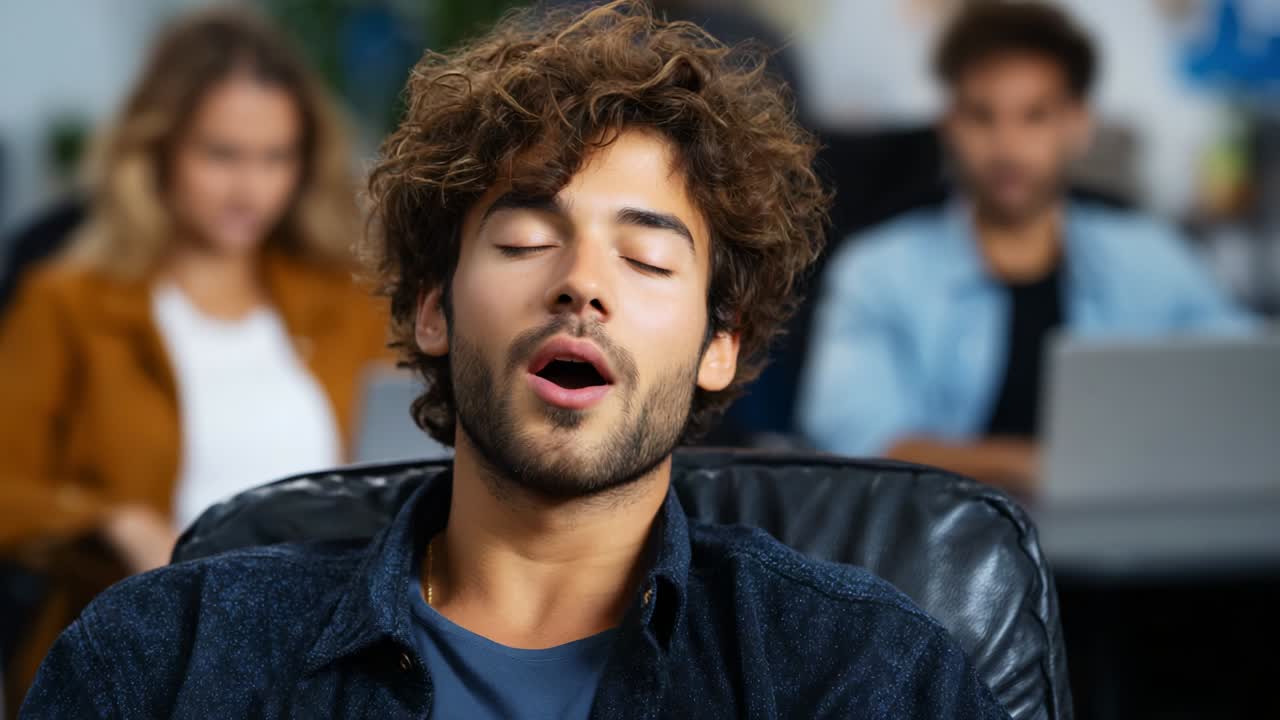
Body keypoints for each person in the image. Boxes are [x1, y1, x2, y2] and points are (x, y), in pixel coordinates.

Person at [21, 3, 1009, 718]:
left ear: (721, 345)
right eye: (526, 241)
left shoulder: (865, 678)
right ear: (435, 309)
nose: (582, 285)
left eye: (647, 256)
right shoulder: (159, 663)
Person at [0, 8, 389, 708]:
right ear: (156, 150)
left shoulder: (345, 302)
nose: (251, 188)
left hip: (323, 665)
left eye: (277, 157)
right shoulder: (69, 302)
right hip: (142, 664)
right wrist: (109, 519)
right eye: (221, 154)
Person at [797, 1, 1256, 493]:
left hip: (1133, 538)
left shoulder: (1149, 256)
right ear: (949, 125)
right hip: (940, 548)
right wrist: (1040, 465)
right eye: (982, 115)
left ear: (1078, 125)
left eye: (1035, 116)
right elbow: (853, 441)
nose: (1007, 145)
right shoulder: (877, 270)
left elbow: (1247, 384)